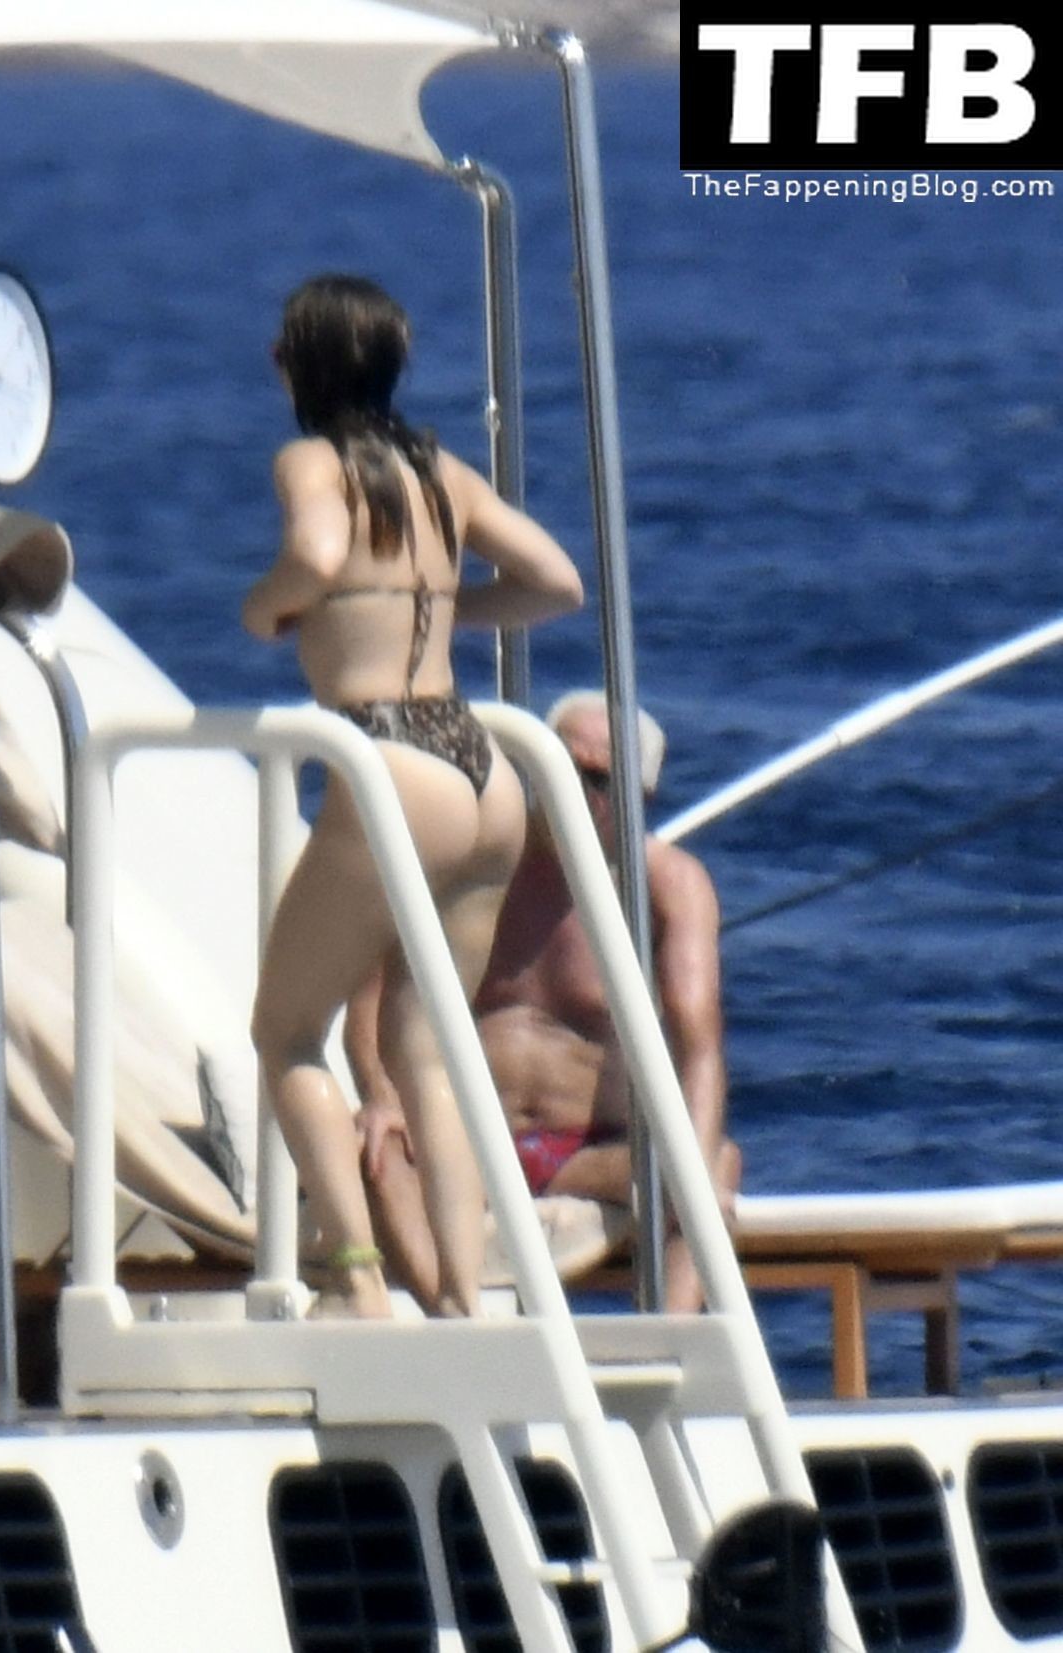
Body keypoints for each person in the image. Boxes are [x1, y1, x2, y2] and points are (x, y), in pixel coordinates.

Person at [243, 274, 584, 1318]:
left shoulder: (312, 461)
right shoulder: (445, 472)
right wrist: (444, 603)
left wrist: (265, 611)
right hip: (480, 763)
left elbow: (315, 554)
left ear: (299, 365)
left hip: (389, 755)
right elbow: (556, 582)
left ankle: (358, 1279)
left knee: (286, 1032)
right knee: (430, 1052)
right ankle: (466, 1297)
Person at [349, 690, 739, 1313]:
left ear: (639, 796)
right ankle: (455, 1321)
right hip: (466, 1141)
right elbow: (367, 1005)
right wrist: (380, 1095)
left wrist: (690, 1162)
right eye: (561, 768)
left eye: (598, 780)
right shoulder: (465, 865)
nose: (575, 791)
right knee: (374, 1149)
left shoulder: (669, 888)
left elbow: (701, 1047)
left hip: (590, 1152)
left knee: (712, 1164)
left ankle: (667, 1343)